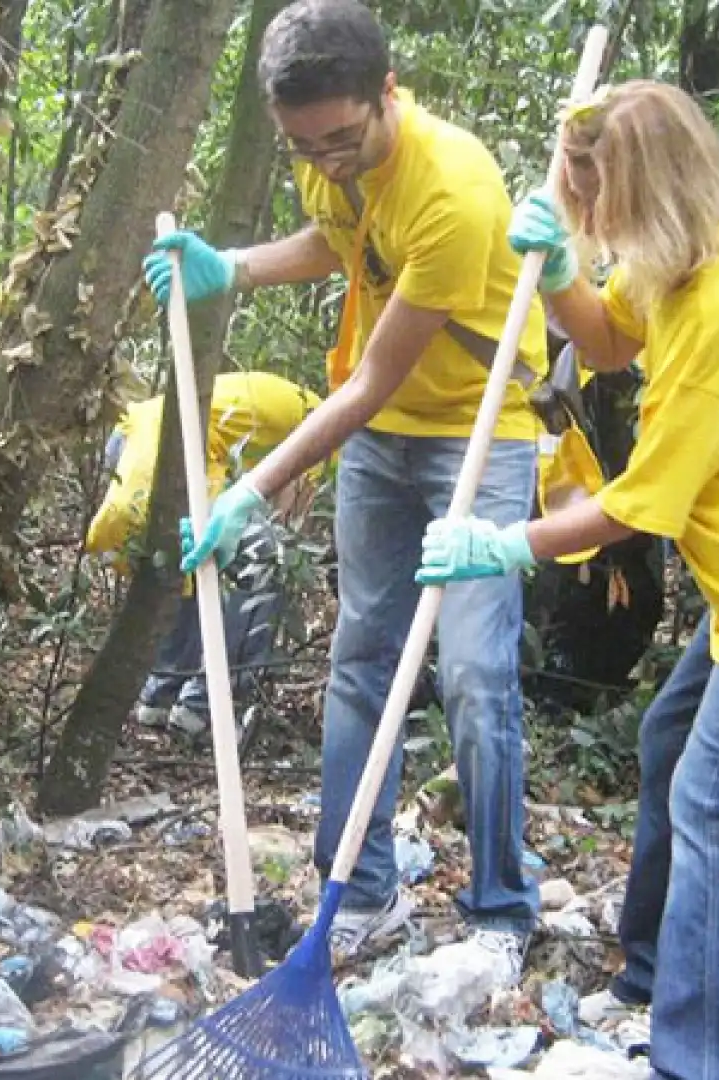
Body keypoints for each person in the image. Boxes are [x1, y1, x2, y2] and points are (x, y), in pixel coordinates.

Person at [417, 81, 719, 1079]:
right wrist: (561, 272)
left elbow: (643, 507)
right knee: (669, 742)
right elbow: (603, 340)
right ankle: (650, 977)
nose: (589, 222)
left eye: (591, 205)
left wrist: (507, 543)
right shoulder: (675, 249)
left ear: (638, 193)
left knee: (716, 797)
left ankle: (703, 1058)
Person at [146, 0, 549, 974]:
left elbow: (374, 382)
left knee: (474, 674)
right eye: (302, 143)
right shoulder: (321, 144)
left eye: (339, 138)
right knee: (361, 660)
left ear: (386, 95)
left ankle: (501, 909)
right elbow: (341, 241)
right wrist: (231, 268)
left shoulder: (453, 192)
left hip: (477, 436)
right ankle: (362, 889)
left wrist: (253, 486)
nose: (322, 158)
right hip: (383, 442)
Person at [84, 371, 320, 733]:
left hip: (133, 434)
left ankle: (161, 695)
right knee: (265, 558)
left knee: (198, 557)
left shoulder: (302, 404)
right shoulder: (331, 431)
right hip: (172, 446)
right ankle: (206, 705)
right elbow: (288, 514)